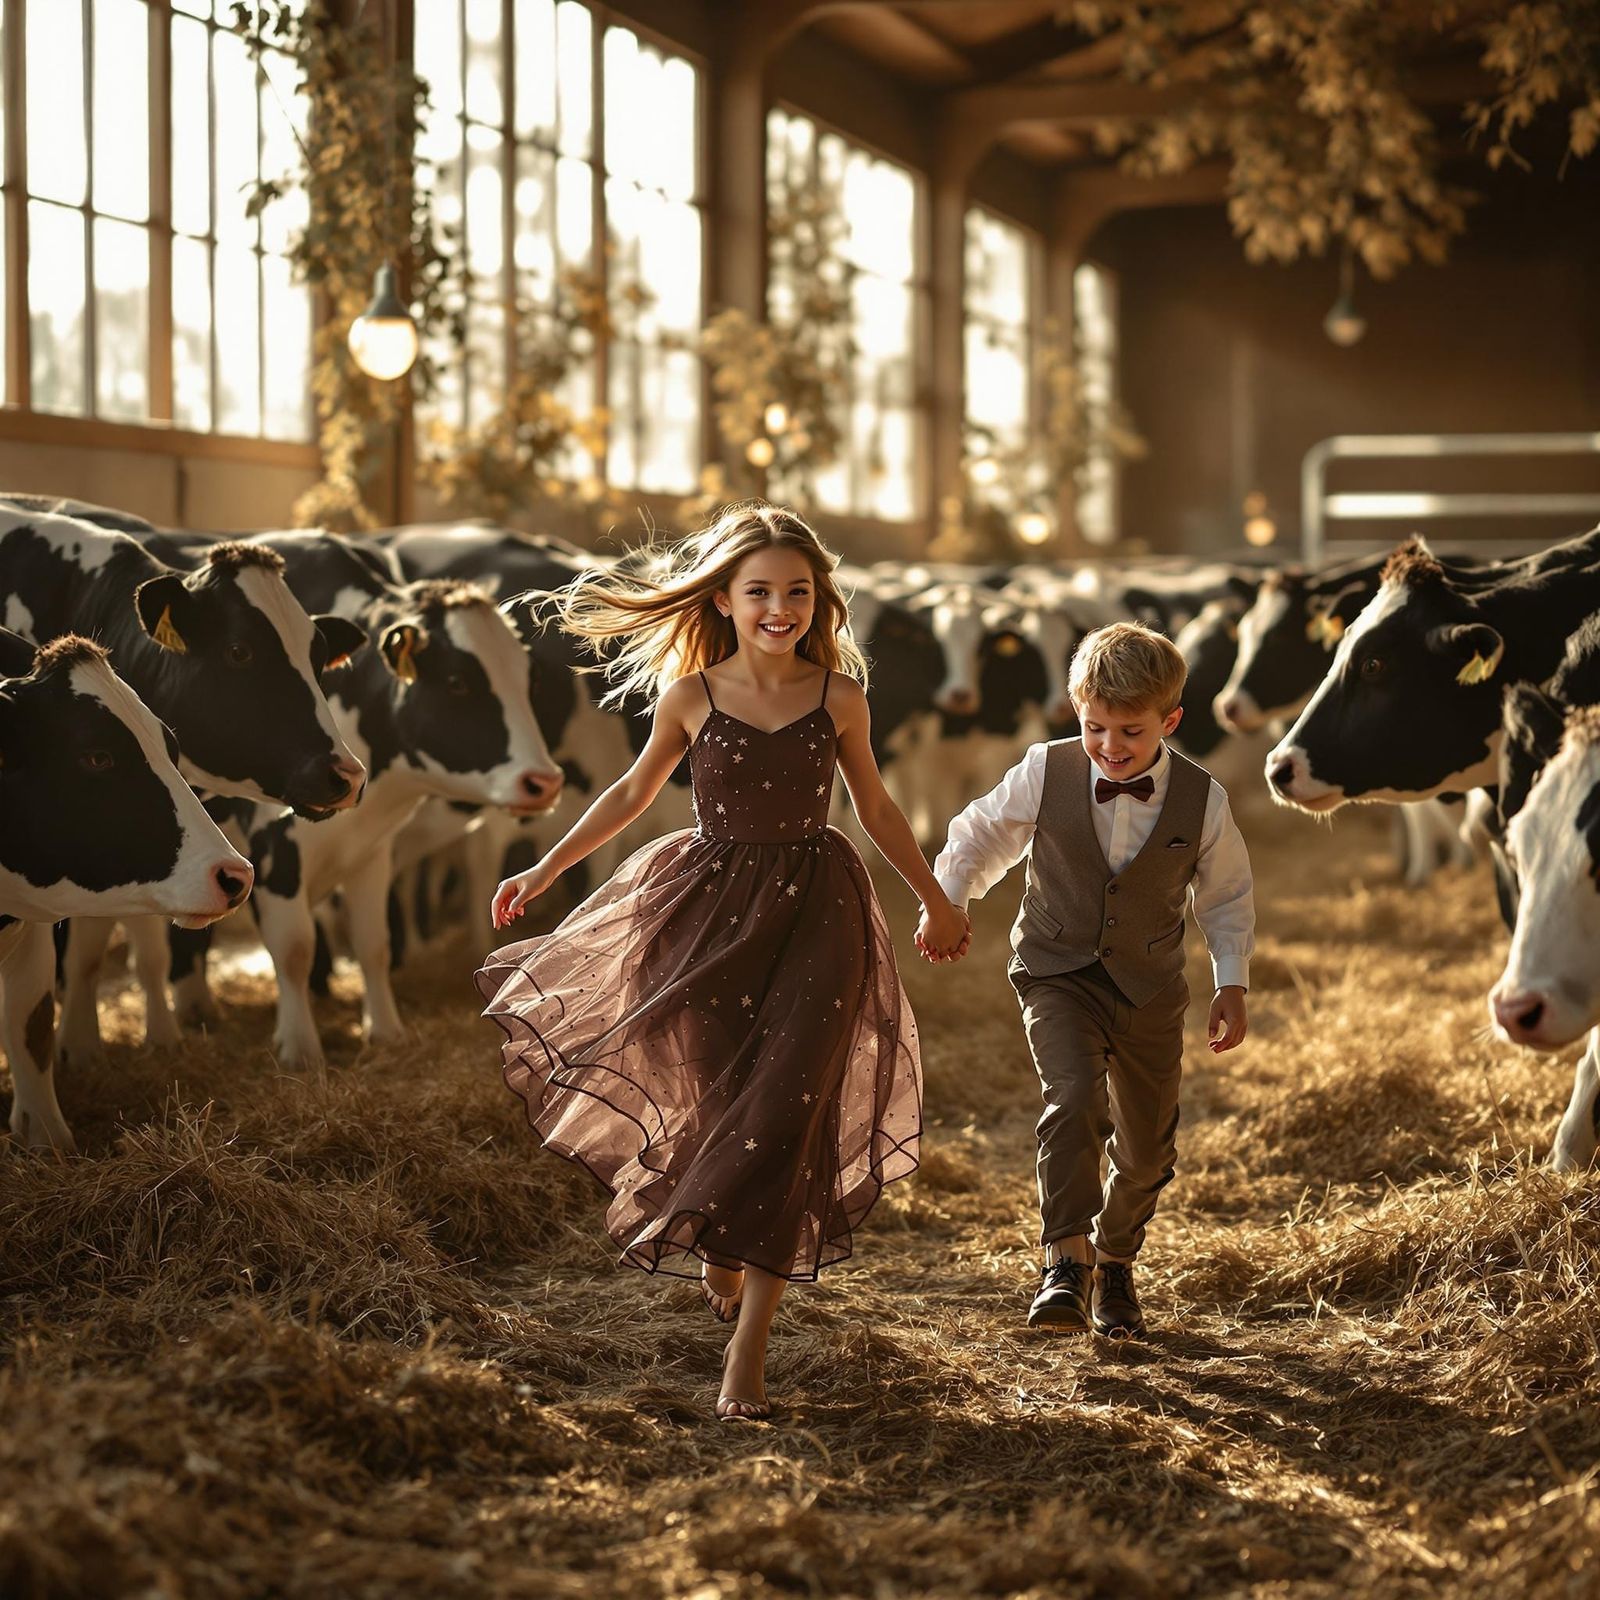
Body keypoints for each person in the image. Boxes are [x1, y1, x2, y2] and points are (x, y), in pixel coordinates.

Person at [476, 501, 968, 1419]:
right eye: (759, 593)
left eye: (797, 592)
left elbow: (877, 810)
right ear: (727, 600)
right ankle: (717, 1238)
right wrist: (546, 866)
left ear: (820, 601)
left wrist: (934, 896)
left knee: (788, 1112)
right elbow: (632, 791)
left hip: (820, 918)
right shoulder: (693, 696)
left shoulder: (840, 697)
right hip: (703, 915)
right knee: (715, 1102)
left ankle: (748, 1356)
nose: (779, 608)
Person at [918, 621, 1253, 1338]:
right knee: (1073, 1101)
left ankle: (1116, 1261)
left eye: (1130, 731)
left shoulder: (1204, 799)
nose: (1109, 746)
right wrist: (950, 898)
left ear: (1170, 721)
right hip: (1056, 970)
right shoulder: (1047, 768)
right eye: (1094, 726)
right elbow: (981, 833)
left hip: (1152, 991)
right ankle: (1064, 1263)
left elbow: (1225, 896)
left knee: (1147, 1151)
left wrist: (1232, 981)